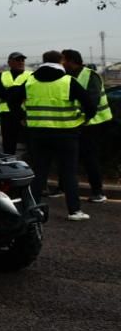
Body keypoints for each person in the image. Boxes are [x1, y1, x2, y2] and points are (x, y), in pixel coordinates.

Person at [8, 50, 98, 221]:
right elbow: (90, 105)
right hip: (66, 133)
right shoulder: (68, 81)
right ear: (61, 61)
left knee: (39, 171)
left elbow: (12, 101)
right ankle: (74, 211)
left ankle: (33, 209)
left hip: (38, 133)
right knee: (69, 172)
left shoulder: (31, 80)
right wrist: (83, 120)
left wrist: (22, 118)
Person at [62, 49, 111, 204]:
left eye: (63, 60)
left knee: (90, 158)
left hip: (93, 123)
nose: (61, 63)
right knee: (70, 157)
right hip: (77, 122)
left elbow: (92, 101)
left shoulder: (90, 75)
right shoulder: (67, 76)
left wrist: (79, 117)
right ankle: (63, 188)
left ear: (71, 61)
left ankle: (98, 191)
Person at [0, 52, 31, 156]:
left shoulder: (30, 76)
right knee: (8, 145)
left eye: (22, 60)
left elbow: (29, 92)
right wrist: (17, 92)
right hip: (7, 114)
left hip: (24, 114)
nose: (21, 62)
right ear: (9, 62)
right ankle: (9, 166)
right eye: (17, 60)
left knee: (28, 144)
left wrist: (9, 90)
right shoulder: (2, 75)